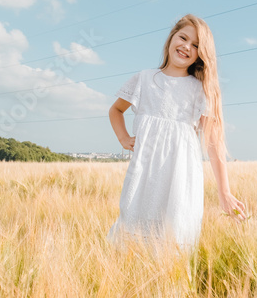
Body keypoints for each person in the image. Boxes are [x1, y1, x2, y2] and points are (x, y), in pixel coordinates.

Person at [106, 14, 247, 255]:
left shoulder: (199, 90)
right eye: (183, 38)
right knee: (132, 239)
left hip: (181, 179)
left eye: (196, 46)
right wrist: (124, 138)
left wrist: (224, 193)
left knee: (174, 241)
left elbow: (213, 144)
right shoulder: (144, 79)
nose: (186, 47)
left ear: (201, 55)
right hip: (144, 176)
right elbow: (116, 110)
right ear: (171, 37)